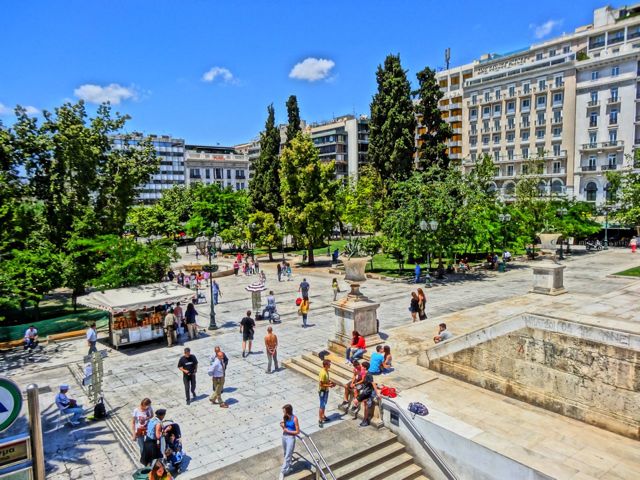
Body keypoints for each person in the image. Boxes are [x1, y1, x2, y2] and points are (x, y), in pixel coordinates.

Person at [350, 362, 380, 427]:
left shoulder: (369, 374)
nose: (361, 366)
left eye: (362, 366)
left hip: (367, 392)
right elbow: (358, 377)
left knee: (355, 401)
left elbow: (373, 383)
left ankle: (356, 406)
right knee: (365, 406)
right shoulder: (365, 373)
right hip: (365, 390)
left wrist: (377, 393)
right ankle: (365, 420)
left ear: (365, 367)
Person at [279, 404, 300, 480]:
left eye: (284, 411)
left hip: (291, 438)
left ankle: (283, 471)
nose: (283, 412)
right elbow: (285, 426)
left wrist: (288, 430)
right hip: (284, 436)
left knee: (288, 454)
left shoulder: (295, 419)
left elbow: (298, 431)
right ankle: (288, 466)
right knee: (285, 453)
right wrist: (282, 425)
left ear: (288, 411)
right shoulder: (285, 417)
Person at [318, 360, 336, 427]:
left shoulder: (326, 371)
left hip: (326, 391)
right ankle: (320, 419)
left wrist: (331, 382)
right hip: (322, 391)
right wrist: (329, 385)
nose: (330, 365)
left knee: (324, 404)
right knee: (322, 405)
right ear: (325, 365)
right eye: (329, 364)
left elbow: (327, 379)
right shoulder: (322, 373)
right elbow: (321, 384)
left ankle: (323, 416)